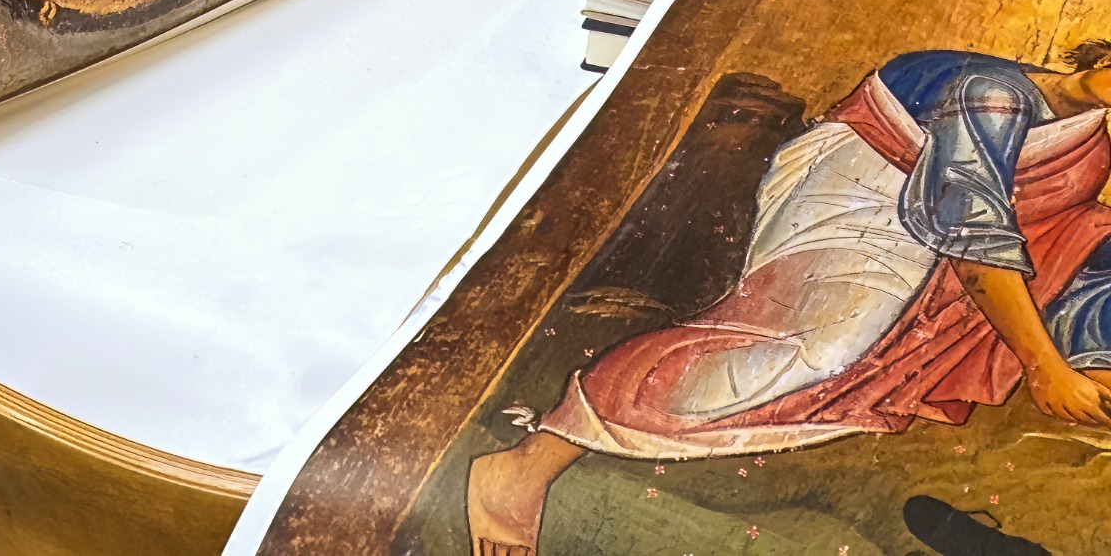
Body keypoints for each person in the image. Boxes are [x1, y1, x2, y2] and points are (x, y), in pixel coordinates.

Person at [463, 44, 1111, 556]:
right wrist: (1042, 366)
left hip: (937, 219)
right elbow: (971, 233)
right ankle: (531, 460)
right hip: (861, 190)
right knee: (823, 351)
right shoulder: (992, 95)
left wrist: (1088, 349)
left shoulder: (1091, 135)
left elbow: (1069, 230)